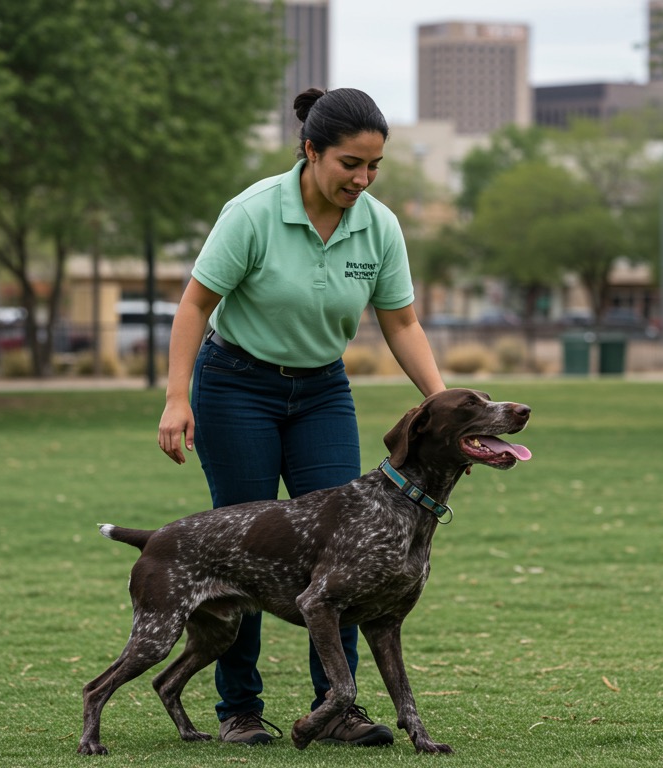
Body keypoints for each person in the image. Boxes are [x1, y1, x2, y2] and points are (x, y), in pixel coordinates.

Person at [157, 87, 446, 747]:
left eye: (374, 166)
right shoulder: (254, 213)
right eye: (350, 163)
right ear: (311, 150)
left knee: (346, 547)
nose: (362, 179)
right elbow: (195, 305)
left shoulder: (378, 225)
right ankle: (240, 711)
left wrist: (445, 405)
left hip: (320, 390)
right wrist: (178, 397)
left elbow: (400, 321)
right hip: (237, 385)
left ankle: (335, 708)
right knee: (245, 545)